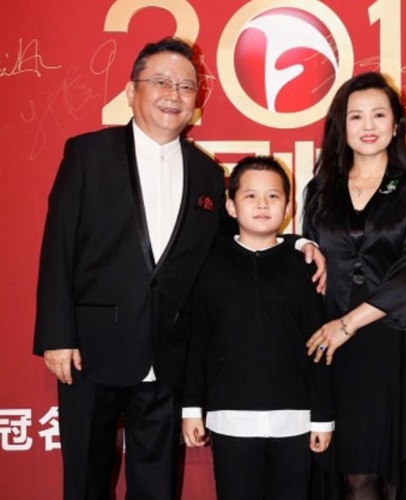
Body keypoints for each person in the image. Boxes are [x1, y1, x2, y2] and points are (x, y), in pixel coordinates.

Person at [33, 38, 325, 500]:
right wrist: (56, 336)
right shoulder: (88, 154)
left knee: (157, 484)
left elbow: (237, 239)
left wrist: (298, 242)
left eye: (187, 86)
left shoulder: (206, 172)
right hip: (91, 348)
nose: (174, 94)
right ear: (132, 91)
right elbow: (58, 245)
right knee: (87, 478)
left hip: (169, 351)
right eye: (162, 82)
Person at [303, 72, 406, 500]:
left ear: (396, 124)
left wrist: (347, 325)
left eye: (378, 114)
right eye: (356, 116)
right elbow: (308, 262)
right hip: (336, 349)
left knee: (398, 476)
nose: (368, 125)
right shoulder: (319, 191)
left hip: (396, 339)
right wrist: (301, 245)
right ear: (340, 126)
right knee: (355, 474)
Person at [181, 156, 335, 500]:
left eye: (273, 196)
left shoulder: (305, 265)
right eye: (250, 196)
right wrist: (191, 408)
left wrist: (322, 418)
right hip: (230, 417)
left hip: (295, 418)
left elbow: (319, 343)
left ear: (288, 207)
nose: (262, 204)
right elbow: (198, 341)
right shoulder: (208, 264)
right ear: (231, 206)